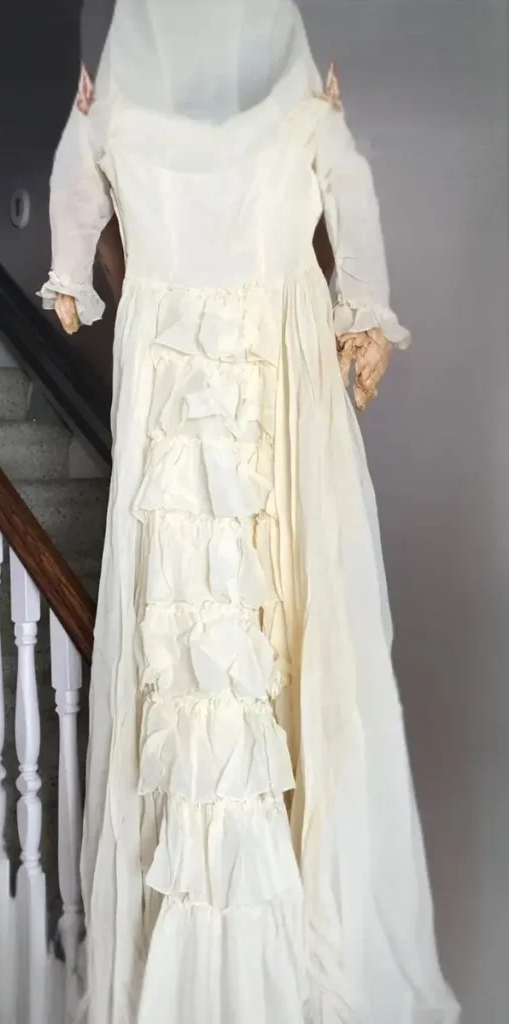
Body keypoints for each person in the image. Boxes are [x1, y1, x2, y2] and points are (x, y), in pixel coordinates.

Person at [39, 2, 460, 1021]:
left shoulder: (113, 122)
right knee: (285, 670)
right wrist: (360, 312)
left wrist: (67, 276)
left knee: (200, 690)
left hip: (186, 436)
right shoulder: (303, 119)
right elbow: (351, 203)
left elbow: (70, 218)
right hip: (277, 419)